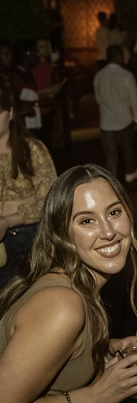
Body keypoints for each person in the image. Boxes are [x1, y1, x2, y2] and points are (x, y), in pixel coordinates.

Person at [0, 164, 137, 403]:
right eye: (86, 221)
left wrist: (101, 347)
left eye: (114, 212)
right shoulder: (64, 305)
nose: (108, 231)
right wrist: (96, 395)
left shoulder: (73, 284)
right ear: (62, 233)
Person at [0, 84, 57, 290]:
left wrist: (9, 220)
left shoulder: (32, 149)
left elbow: (50, 201)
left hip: (26, 236)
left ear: (10, 113)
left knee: (29, 295)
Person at [94, 44, 137, 183]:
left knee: (110, 156)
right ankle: (130, 173)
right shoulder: (126, 75)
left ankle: (112, 182)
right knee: (127, 150)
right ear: (119, 57)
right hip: (124, 120)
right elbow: (135, 100)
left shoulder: (99, 75)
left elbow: (98, 98)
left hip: (106, 122)